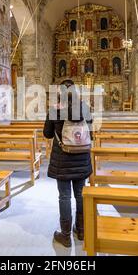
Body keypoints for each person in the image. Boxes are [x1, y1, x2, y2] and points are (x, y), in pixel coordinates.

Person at [43, 79, 93, 248]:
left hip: (62, 159)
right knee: (80, 194)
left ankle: (65, 235)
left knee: (64, 196)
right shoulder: (85, 108)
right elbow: (91, 133)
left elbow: (47, 134)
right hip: (81, 159)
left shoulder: (55, 109)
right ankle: (81, 230)